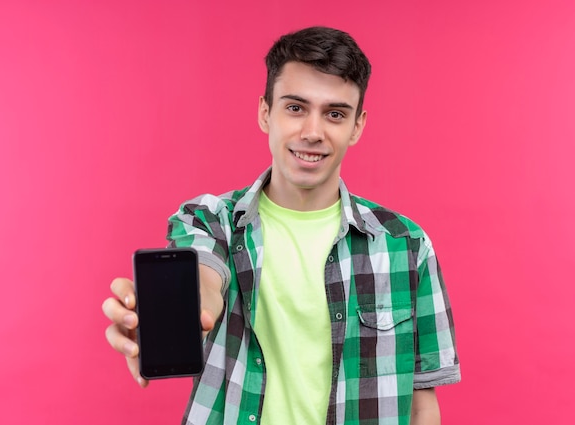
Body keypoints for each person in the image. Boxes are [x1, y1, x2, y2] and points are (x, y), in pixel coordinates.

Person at [102, 26, 460, 425]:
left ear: (357, 126)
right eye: (295, 108)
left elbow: (421, 403)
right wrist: (182, 311)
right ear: (264, 112)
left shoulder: (406, 245)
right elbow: (205, 276)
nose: (312, 132)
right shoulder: (211, 221)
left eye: (335, 114)